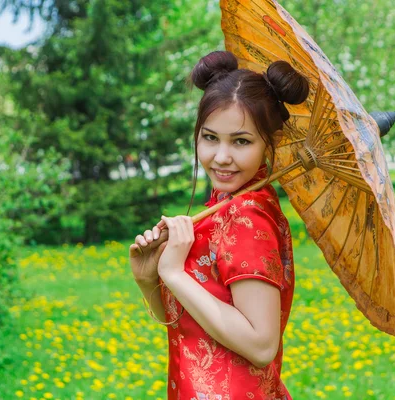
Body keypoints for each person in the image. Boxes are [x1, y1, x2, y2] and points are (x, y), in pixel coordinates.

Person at [129, 50, 309, 400]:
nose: (221, 157)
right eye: (210, 137)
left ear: (268, 145)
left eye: (241, 141)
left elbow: (261, 345)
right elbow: (191, 324)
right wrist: (150, 278)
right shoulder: (223, 208)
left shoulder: (246, 217)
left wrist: (176, 275)